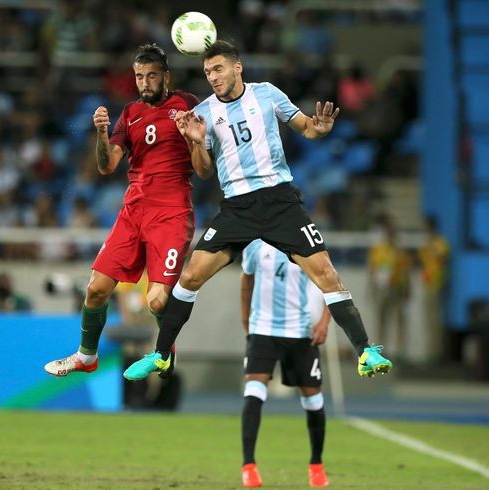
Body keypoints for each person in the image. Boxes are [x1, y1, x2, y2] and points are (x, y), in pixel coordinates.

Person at [124, 40, 392, 381]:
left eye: (219, 69)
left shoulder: (267, 93)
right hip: (237, 207)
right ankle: (161, 355)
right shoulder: (203, 112)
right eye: (208, 73)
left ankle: (365, 351)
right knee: (190, 276)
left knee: (326, 273)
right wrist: (194, 140)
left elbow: (307, 127)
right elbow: (204, 170)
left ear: (238, 67)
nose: (214, 78)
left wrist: (319, 129)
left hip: (279, 201)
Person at [43, 44, 206, 377]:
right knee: (96, 288)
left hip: (171, 214)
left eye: (151, 76)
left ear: (166, 77)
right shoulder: (130, 114)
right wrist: (102, 134)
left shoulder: (187, 104)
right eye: (139, 76)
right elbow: (107, 165)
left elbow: (205, 168)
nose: (145, 82)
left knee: (157, 300)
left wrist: (194, 139)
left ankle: (165, 353)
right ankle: (86, 356)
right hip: (133, 212)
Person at [239, 240, 330, 488]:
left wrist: (324, 322)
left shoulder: (304, 241)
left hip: (300, 332)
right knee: (254, 389)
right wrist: (245, 318)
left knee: (313, 398)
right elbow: (246, 281)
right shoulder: (254, 245)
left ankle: (316, 465)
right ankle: (249, 466)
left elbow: (330, 282)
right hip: (263, 330)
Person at [367, 217, 413, 359]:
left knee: (400, 320)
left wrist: (408, 288)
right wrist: (371, 289)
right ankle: (381, 348)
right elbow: (372, 271)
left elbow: (406, 272)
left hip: (397, 288)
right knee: (382, 320)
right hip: (383, 290)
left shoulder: (400, 252)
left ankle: (400, 350)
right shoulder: (378, 250)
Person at [417, 216, 450, 361]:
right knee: (429, 319)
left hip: (436, 284)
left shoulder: (440, 244)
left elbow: (442, 260)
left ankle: (436, 352)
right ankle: (431, 351)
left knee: (434, 319)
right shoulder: (426, 244)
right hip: (428, 283)